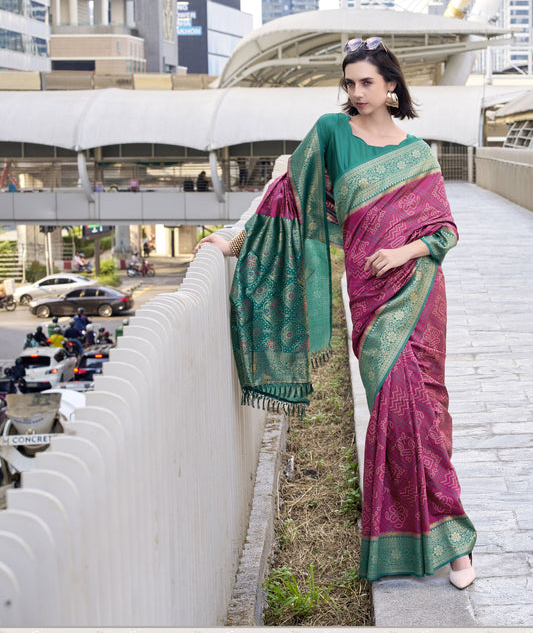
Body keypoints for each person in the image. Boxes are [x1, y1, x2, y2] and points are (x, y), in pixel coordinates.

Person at [194, 36, 476, 589]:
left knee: (421, 409)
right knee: (394, 412)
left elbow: (445, 232)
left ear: (392, 86)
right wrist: (237, 237)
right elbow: (287, 196)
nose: (356, 92)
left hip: (418, 291)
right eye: (349, 83)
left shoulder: (418, 154)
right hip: (369, 300)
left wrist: (401, 251)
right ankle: (427, 537)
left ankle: (455, 540)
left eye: (367, 82)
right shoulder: (330, 133)